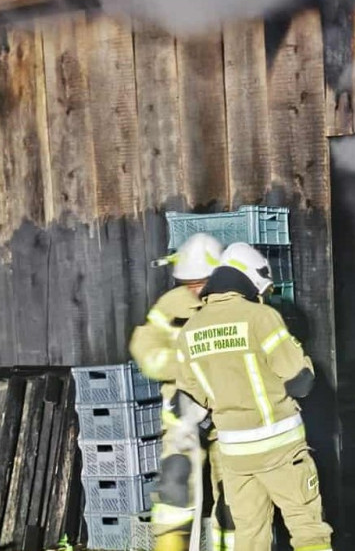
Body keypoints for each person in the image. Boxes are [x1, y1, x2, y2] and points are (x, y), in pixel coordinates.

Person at [174, 242, 333, 551]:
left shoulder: (190, 330)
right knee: (308, 528)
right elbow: (301, 382)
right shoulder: (262, 317)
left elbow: (192, 401)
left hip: (234, 454)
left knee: (249, 536)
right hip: (281, 450)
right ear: (251, 280)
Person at [129, 233, 233, 551]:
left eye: (201, 280)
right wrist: (183, 367)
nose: (194, 288)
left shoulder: (236, 302)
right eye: (188, 281)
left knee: (233, 497)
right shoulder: (171, 305)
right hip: (181, 414)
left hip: (229, 414)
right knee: (175, 483)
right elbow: (144, 347)